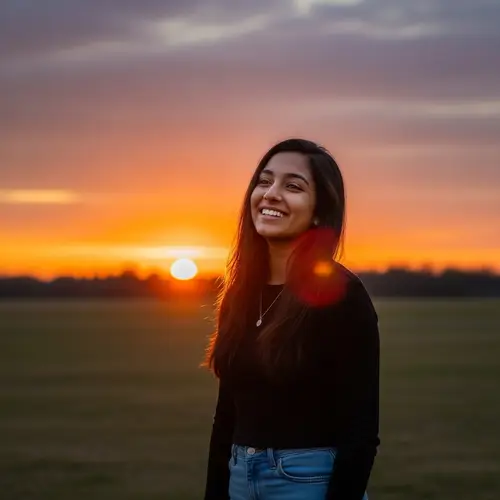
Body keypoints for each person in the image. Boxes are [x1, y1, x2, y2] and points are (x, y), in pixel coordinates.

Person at [201, 138, 380, 500]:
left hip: (307, 482)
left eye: (293, 186)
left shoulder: (342, 295)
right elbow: (227, 414)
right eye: (264, 182)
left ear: (318, 211)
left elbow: (360, 430)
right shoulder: (240, 293)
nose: (271, 194)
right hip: (239, 476)